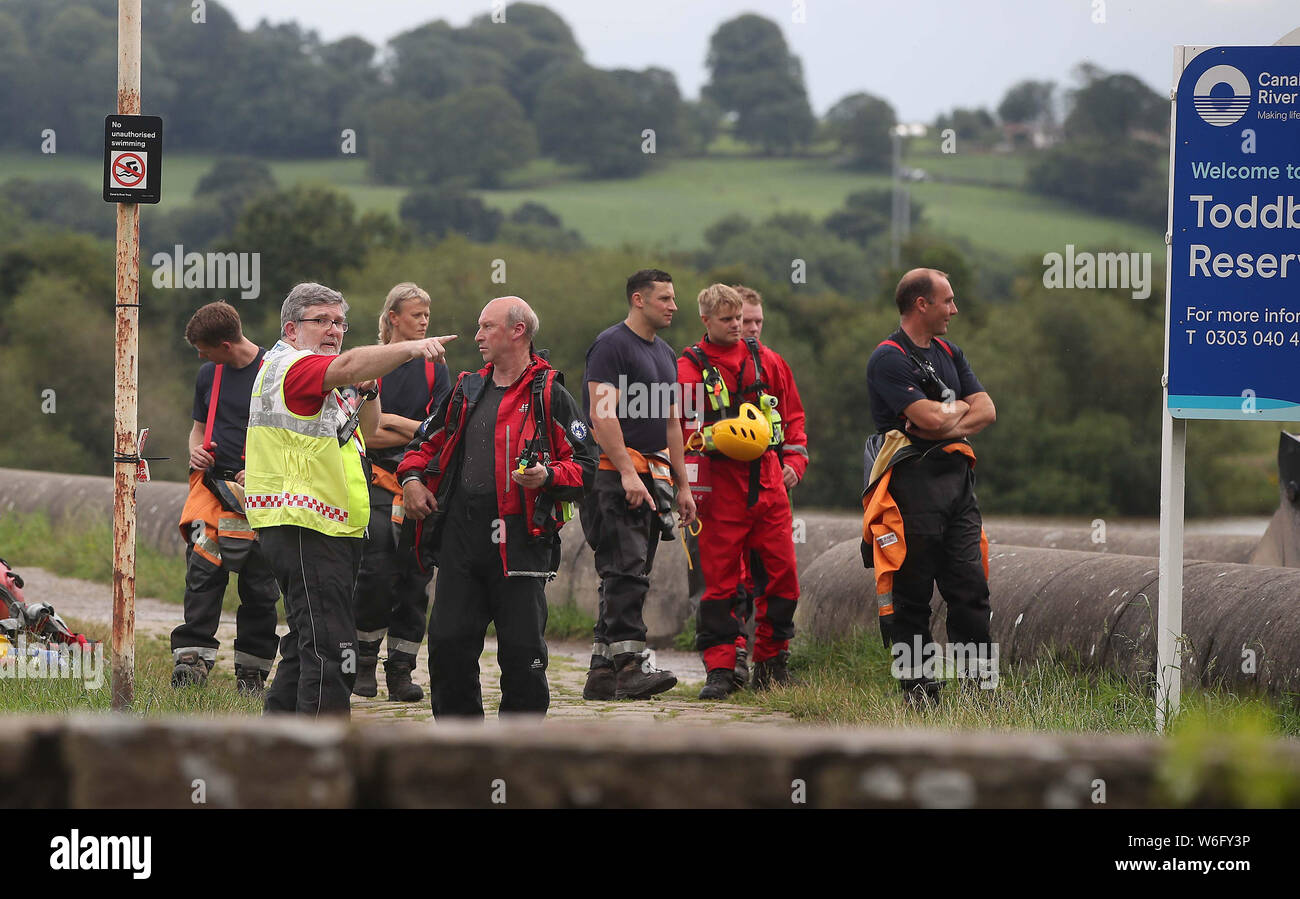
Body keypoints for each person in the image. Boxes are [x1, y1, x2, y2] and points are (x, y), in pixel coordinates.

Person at [245, 282, 453, 717]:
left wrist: (370, 389)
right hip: (305, 526)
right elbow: (353, 361)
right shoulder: (296, 367)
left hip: (326, 528)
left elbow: (372, 431)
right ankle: (320, 765)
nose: (333, 330)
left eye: (339, 322)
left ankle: (272, 752)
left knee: (305, 649)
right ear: (290, 328)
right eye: (320, 320)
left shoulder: (321, 379)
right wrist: (413, 349)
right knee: (333, 651)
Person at [399, 296, 597, 719]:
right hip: (460, 538)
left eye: (487, 326)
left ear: (518, 331)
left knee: (524, 654)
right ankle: (459, 751)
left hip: (522, 540)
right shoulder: (465, 391)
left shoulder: (553, 396)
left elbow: (586, 466)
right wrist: (413, 480)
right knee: (448, 645)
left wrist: (547, 476)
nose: (477, 335)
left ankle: (517, 754)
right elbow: (422, 445)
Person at [862, 268, 996, 706]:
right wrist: (950, 417)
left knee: (971, 590)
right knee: (911, 597)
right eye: (948, 301)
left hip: (957, 487)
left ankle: (980, 690)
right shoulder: (888, 358)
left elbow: (987, 410)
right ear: (922, 304)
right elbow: (937, 419)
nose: (954, 310)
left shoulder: (949, 351)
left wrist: (942, 419)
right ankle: (918, 692)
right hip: (909, 489)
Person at [677, 284, 807, 700]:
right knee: (719, 586)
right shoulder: (689, 368)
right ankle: (723, 667)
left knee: (783, 579)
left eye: (742, 319)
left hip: (769, 487)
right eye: (728, 320)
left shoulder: (768, 361)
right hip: (719, 492)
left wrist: (794, 463)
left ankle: (772, 661)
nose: (738, 327)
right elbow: (678, 429)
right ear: (706, 321)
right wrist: (695, 480)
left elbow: (793, 419)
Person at [579, 269, 695, 701]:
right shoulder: (611, 346)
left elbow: (671, 424)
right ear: (638, 300)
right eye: (665, 297)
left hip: (653, 476)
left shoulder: (665, 354)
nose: (674, 305)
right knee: (625, 569)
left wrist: (682, 486)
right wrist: (627, 471)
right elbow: (601, 415)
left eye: (673, 298)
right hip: (612, 474)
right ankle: (630, 667)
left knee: (627, 572)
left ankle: (601, 674)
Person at [171, 301, 279, 694]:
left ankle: (252, 673)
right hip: (212, 493)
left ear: (226, 345)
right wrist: (195, 450)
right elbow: (198, 429)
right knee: (202, 574)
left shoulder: (276, 374)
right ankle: (191, 662)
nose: (199, 356)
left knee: (260, 587)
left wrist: (263, 471)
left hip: (262, 498)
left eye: (204, 348)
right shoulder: (207, 375)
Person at [351, 283, 451, 702]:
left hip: (422, 482)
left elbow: (441, 432)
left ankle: (402, 672)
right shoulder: (369, 363)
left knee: (414, 578)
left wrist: (394, 423)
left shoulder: (436, 369)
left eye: (427, 315)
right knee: (374, 573)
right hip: (373, 480)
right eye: (416, 314)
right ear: (393, 317)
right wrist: (412, 428)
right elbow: (363, 434)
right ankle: (363, 663)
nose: (424, 322)